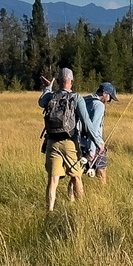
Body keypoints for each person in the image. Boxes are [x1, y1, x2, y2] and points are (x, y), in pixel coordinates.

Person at [38, 67, 97, 211]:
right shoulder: (76, 98)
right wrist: (98, 142)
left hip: (52, 142)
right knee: (76, 176)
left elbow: (41, 102)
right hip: (70, 141)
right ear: (71, 81)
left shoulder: (51, 96)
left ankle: (49, 210)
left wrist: (48, 87)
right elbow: (87, 123)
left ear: (58, 81)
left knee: (53, 179)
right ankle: (81, 208)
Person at [80, 81, 117, 183]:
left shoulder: (84, 101)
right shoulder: (99, 105)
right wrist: (92, 151)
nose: (109, 101)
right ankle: (103, 194)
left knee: (77, 175)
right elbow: (93, 129)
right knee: (102, 171)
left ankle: (72, 198)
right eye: (110, 97)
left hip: (79, 142)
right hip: (94, 146)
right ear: (105, 93)